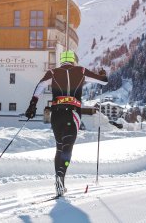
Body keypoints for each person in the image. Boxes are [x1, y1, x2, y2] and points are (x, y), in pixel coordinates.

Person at [25, 50, 108, 197]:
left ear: (62, 60)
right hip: (73, 113)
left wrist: (32, 105)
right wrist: (102, 73)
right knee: (67, 148)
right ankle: (61, 179)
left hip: (56, 114)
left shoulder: (52, 72)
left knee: (59, 148)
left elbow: (40, 86)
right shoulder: (81, 71)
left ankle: (59, 180)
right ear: (73, 61)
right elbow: (103, 81)